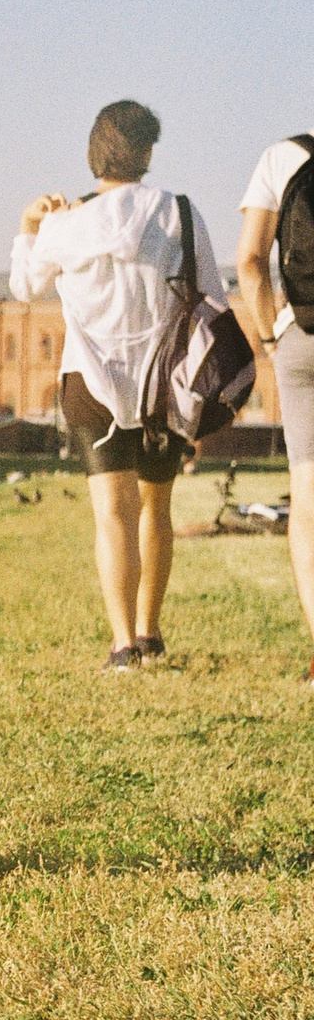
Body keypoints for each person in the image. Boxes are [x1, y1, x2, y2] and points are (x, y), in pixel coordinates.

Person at [12, 100, 226, 671]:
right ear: (147, 153)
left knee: (112, 510)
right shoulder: (180, 213)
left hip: (91, 380)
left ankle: (122, 645)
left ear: (95, 150)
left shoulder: (68, 221)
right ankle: (152, 633)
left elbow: (26, 285)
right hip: (167, 387)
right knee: (157, 504)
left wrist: (30, 225)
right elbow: (213, 296)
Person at [232, 126, 314, 686]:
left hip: (304, 337)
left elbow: (251, 262)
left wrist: (270, 334)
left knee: (308, 504)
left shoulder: (283, 156)